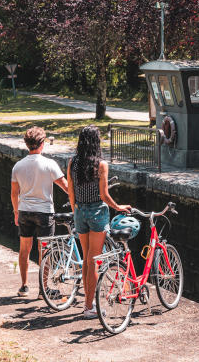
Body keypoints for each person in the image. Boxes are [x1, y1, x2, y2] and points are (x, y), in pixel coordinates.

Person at [67, 125, 130, 318]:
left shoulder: (72, 163)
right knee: (94, 261)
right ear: (96, 142)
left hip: (79, 211)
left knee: (86, 259)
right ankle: (89, 306)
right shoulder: (101, 165)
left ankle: (88, 302)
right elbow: (104, 195)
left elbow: (71, 192)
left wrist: (75, 209)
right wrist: (118, 207)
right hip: (97, 212)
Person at [11, 126, 68, 297]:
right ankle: (43, 289)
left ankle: (24, 286)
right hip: (44, 212)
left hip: (24, 210)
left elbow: (14, 194)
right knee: (45, 251)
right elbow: (66, 187)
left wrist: (16, 212)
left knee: (24, 249)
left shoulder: (18, 166)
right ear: (42, 143)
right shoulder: (49, 164)